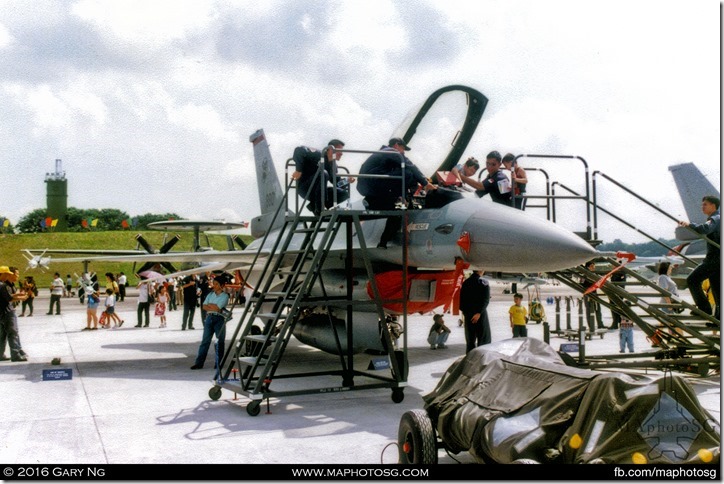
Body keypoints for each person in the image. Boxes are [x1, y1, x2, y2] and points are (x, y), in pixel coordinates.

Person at [357, 137, 436, 248]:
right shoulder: (391, 151)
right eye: (403, 149)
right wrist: (425, 183)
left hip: (370, 190)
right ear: (396, 145)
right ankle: (405, 198)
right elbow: (410, 166)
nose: (403, 152)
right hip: (374, 184)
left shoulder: (382, 155)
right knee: (408, 172)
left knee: (396, 211)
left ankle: (383, 243)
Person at [678, 195, 720, 319]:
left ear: (713, 205)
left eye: (705, 204)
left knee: (692, 280)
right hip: (717, 259)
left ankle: (704, 309)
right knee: (717, 290)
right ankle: (717, 319)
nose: (702, 207)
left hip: (714, 259)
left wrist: (689, 225)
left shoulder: (715, 218)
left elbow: (705, 228)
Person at [292, 139, 351, 216]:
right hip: (305, 188)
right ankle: (320, 209)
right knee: (323, 173)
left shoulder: (333, 166)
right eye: (339, 150)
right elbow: (299, 150)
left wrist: (347, 181)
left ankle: (314, 206)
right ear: (330, 150)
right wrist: (298, 170)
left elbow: (337, 183)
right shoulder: (318, 154)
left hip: (319, 192)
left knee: (343, 194)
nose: (341, 153)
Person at [191, 274, 231, 370]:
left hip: (219, 319)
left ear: (222, 285)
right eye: (214, 284)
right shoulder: (210, 294)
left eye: (217, 284)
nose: (214, 286)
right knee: (205, 341)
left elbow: (218, 308)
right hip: (209, 318)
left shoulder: (225, 296)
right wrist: (213, 306)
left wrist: (211, 306)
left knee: (219, 342)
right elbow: (204, 306)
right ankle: (199, 363)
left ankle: (218, 363)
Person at [0, 266, 29, 362]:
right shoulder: (2, 285)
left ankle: (0, 354)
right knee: (13, 333)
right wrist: (22, 298)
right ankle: (15, 354)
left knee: (2, 335)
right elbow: (9, 298)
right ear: (2, 274)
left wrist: (17, 295)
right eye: (7, 274)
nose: (8, 275)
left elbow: (6, 296)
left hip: (1, 313)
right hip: (7, 312)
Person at [458, 270, 491, 352]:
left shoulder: (466, 282)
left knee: (470, 340)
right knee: (484, 339)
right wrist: (478, 312)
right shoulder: (484, 282)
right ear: (480, 271)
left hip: (468, 314)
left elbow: (461, 300)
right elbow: (485, 300)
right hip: (480, 315)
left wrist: (466, 313)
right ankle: (481, 359)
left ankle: (469, 359)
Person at [580, 261, 604, 332]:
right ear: (588, 266)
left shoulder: (593, 274)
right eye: (592, 266)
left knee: (598, 308)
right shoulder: (584, 275)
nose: (594, 268)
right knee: (589, 309)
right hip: (588, 294)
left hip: (594, 293)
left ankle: (600, 324)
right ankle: (591, 324)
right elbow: (582, 284)